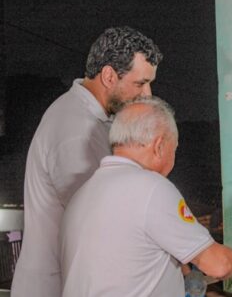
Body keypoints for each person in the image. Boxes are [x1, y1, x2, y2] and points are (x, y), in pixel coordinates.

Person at [60, 98, 232, 297]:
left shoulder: (82, 193)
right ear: (159, 146)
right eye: (174, 150)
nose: (173, 159)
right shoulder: (151, 187)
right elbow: (218, 265)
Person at [12, 26, 163, 297]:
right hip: (55, 287)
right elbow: (102, 220)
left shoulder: (97, 120)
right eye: (140, 83)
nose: (147, 94)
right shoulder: (75, 129)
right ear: (108, 75)